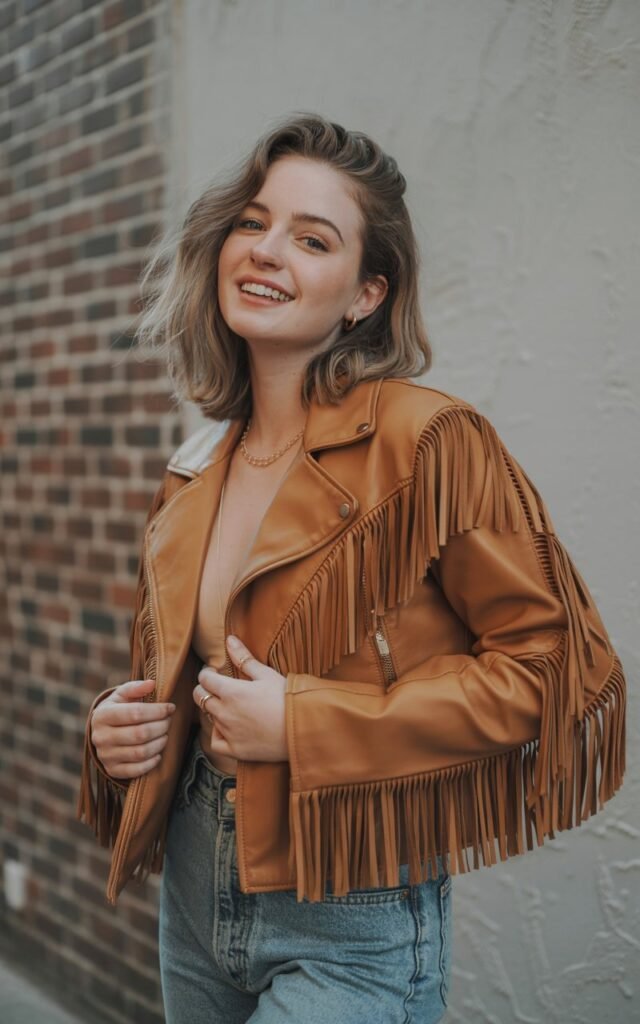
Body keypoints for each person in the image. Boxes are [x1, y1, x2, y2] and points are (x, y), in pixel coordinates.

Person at [77, 113, 627, 1024]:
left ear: (366, 294)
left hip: (351, 901)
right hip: (193, 883)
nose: (265, 251)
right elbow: (186, 669)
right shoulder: (198, 461)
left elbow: (552, 670)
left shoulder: (429, 442)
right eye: (253, 222)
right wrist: (120, 726)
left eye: (312, 237)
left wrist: (304, 722)